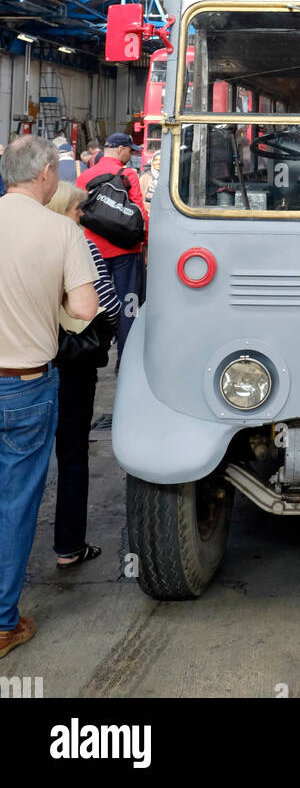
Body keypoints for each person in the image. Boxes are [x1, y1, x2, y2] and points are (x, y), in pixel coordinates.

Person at [0, 136, 98, 659]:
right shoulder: (62, 230)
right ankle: (1, 623)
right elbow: (84, 309)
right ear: (42, 173)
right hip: (24, 383)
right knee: (14, 504)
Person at [46, 182, 121, 569]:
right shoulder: (78, 244)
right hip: (72, 365)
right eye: (79, 210)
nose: (84, 218)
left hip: (27, 360)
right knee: (72, 454)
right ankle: (69, 546)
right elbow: (104, 306)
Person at [76, 132, 147, 362]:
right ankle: (125, 359)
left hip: (93, 251)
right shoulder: (128, 176)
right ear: (119, 149)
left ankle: (94, 353)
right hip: (126, 252)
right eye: (130, 150)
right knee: (129, 304)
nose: (131, 154)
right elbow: (140, 215)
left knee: (94, 303)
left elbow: (76, 212)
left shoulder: (85, 176)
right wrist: (145, 243)